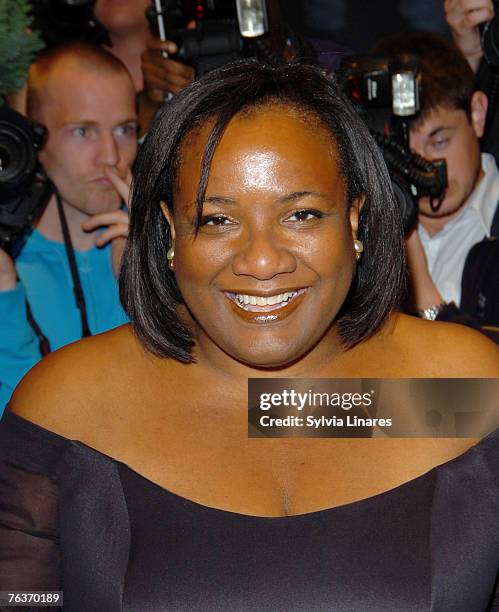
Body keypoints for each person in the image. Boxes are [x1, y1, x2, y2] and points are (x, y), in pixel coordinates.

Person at [0, 61, 497, 609]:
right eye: (217, 220)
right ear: (168, 232)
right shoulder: (70, 406)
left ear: (355, 220)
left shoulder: (461, 389)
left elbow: (287, 415)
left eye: (302, 214)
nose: (262, 261)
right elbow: (23, 599)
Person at [0, 42, 137, 413]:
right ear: (34, 142)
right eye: (83, 132)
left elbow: (236, 408)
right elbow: (20, 442)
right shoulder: (10, 270)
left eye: (125, 130)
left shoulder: (166, 249)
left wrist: (146, 288)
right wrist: (5, 301)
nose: (111, 155)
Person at [373, 33, 499, 340]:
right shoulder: (367, 223)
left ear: (478, 114)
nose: (422, 167)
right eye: (405, 153)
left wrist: (422, 291)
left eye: (439, 141)